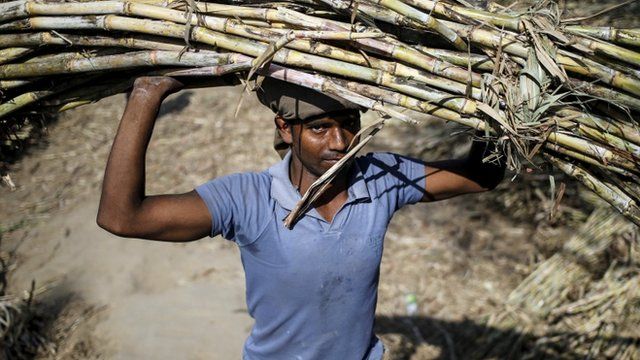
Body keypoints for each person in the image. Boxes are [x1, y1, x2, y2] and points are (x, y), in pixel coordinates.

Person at [97, 75, 505, 359]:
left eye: (348, 124)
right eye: (319, 127)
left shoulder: (379, 177)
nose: (340, 142)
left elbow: (481, 176)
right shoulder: (249, 199)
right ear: (286, 128)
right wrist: (147, 96)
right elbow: (122, 217)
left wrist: (493, 106)